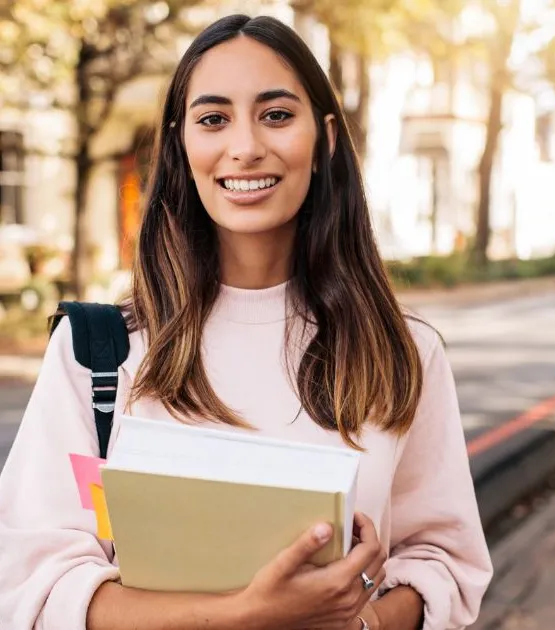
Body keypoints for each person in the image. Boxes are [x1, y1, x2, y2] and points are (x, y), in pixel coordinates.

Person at [0, 13, 492, 630]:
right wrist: (245, 615)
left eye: (277, 115)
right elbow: (35, 585)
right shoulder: (98, 354)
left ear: (327, 140)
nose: (245, 146)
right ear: (181, 144)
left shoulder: (404, 352)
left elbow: (441, 560)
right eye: (213, 119)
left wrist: (363, 624)